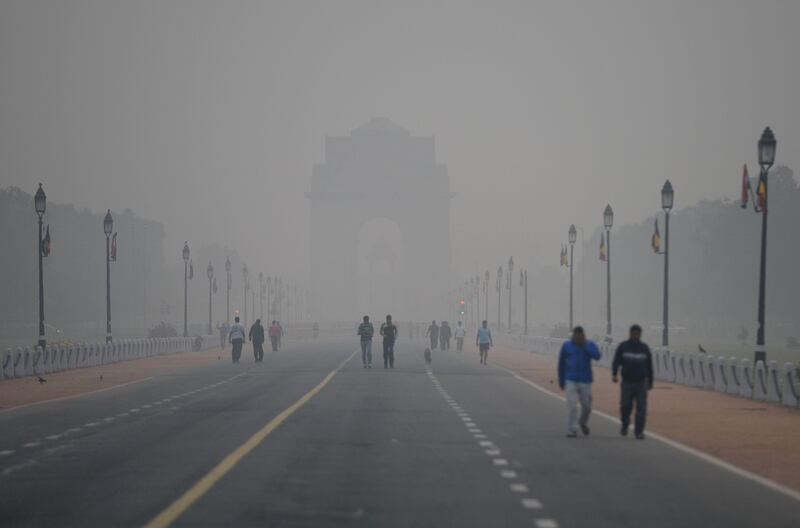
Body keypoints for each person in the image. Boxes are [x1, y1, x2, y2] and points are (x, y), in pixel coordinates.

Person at [558, 326, 602, 438]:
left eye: (579, 335)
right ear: (572, 335)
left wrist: (584, 345)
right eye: (575, 335)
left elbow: (597, 356)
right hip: (570, 379)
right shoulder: (567, 345)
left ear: (583, 335)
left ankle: (582, 422)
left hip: (585, 380)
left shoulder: (589, 344)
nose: (577, 337)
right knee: (572, 406)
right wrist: (561, 380)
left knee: (587, 406)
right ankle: (572, 430)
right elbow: (561, 364)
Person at [612, 324, 654, 440]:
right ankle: (625, 424)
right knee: (625, 406)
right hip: (627, 382)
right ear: (630, 334)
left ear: (640, 334)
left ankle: (639, 431)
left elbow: (649, 366)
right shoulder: (623, 347)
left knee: (641, 409)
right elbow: (616, 361)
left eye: (638, 334)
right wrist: (614, 374)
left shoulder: (644, 348)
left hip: (641, 383)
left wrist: (650, 381)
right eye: (634, 333)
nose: (636, 336)